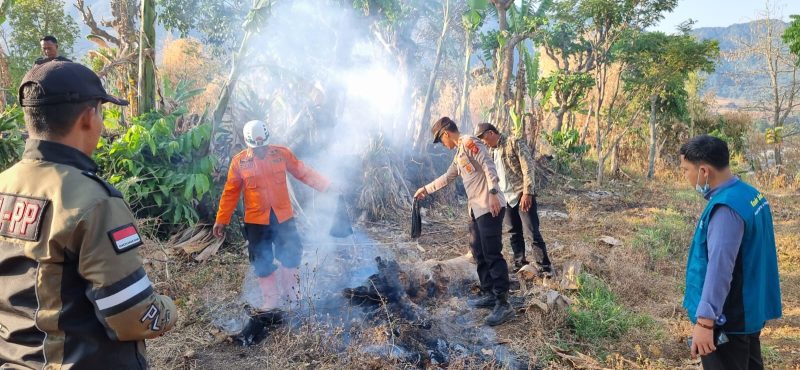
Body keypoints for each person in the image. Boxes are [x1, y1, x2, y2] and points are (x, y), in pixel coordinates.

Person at [0, 61, 177, 369]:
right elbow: (133, 317)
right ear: (87, 117)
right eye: (101, 112)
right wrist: (169, 309)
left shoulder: (5, 185)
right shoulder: (93, 202)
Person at [679, 135, 781, 370]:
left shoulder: (726, 210)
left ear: (704, 171)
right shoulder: (749, 194)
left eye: (686, 170)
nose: (686, 177)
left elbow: (720, 269)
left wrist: (705, 324)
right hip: (750, 310)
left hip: (729, 318)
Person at [213, 120, 332, 311]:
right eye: (257, 148)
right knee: (261, 258)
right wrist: (221, 219)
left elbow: (303, 172)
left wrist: (326, 185)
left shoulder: (281, 153)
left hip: (283, 216)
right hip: (256, 221)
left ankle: (291, 293)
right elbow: (231, 192)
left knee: (291, 251)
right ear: (247, 143)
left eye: (264, 146)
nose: (261, 151)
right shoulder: (239, 162)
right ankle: (271, 300)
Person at [414, 116, 514, 326]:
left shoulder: (469, 142)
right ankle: (488, 292)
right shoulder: (460, 152)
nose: (444, 145)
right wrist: (425, 190)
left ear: (446, 134)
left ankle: (503, 303)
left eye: (442, 141)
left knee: (492, 253)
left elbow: (488, 165)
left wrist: (494, 191)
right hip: (476, 210)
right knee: (478, 251)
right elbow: (447, 177)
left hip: (490, 205)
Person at [475, 123, 553, 275]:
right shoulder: (490, 151)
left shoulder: (514, 142)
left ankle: (544, 267)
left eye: (483, 138)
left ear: (491, 133)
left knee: (531, 232)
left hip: (521, 195)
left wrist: (527, 192)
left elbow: (528, 167)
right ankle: (519, 263)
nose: (483, 142)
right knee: (513, 232)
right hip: (505, 198)